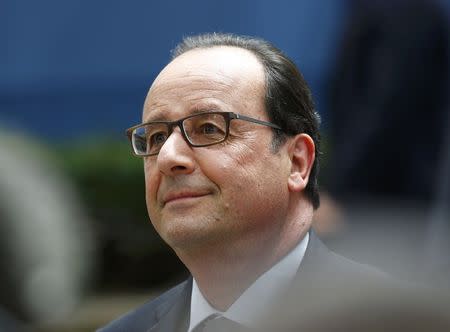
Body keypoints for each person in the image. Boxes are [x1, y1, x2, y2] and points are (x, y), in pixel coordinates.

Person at [98, 33, 392, 332]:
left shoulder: (400, 319)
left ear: (297, 162)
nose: (167, 157)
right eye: (157, 137)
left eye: (209, 128)